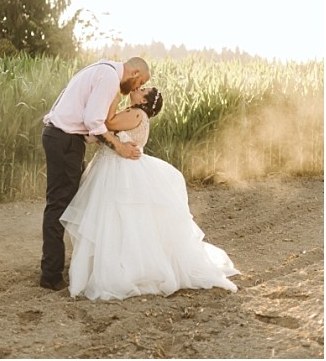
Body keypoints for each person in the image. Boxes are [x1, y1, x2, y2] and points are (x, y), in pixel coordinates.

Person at [60, 87, 239, 300]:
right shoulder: (136, 114)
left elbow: (106, 124)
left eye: (142, 89)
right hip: (114, 167)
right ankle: (111, 263)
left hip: (117, 171)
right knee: (118, 221)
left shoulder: (135, 114)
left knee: (112, 219)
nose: (136, 89)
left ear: (144, 100)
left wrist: (112, 96)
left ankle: (115, 267)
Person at [40, 57, 150, 291]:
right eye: (140, 81)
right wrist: (119, 147)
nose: (138, 87)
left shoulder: (103, 69)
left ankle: (73, 265)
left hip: (66, 139)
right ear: (135, 71)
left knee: (75, 202)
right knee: (59, 205)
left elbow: (92, 123)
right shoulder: (110, 77)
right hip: (64, 140)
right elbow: (93, 122)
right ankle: (50, 275)